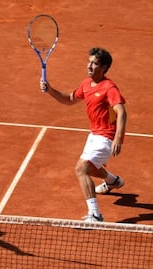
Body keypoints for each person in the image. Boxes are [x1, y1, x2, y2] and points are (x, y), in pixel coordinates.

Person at [40, 47, 127, 222]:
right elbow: (70, 99)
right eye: (89, 62)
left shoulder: (109, 88)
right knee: (92, 168)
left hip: (106, 138)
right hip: (94, 135)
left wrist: (118, 138)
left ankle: (95, 214)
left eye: (94, 63)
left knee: (81, 169)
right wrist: (50, 90)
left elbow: (121, 112)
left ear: (103, 67)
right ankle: (112, 181)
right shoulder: (87, 84)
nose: (89, 66)